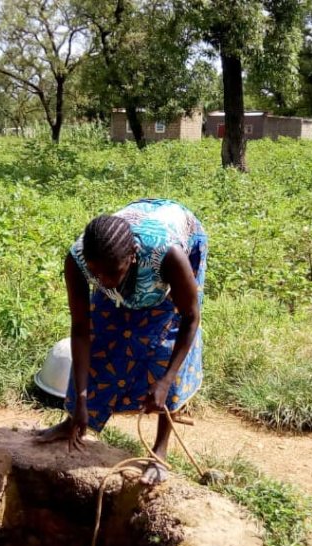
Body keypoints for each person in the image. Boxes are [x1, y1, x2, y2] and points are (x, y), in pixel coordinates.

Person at [36, 198, 207, 484]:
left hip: (174, 241)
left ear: (132, 256)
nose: (103, 280)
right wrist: (80, 400)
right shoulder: (80, 259)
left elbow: (189, 318)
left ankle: (160, 449)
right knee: (102, 340)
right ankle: (73, 423)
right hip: (123, 252)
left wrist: (164, 382)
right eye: (96, 273)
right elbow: (81, 329)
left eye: (112, 273)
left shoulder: (167, 256)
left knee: (164, 348)